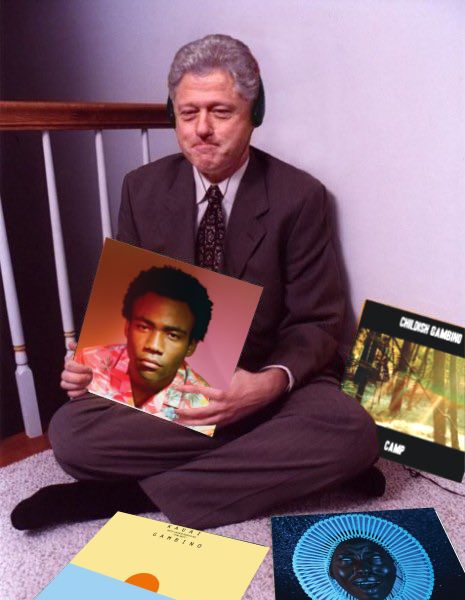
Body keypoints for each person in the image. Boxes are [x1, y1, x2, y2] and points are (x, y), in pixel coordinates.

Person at [11, 34, 383, 532]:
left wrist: (263, 387)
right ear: (173, 115)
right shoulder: (140, 189)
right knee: (71, 434)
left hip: (269, 379)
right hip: (179, 384)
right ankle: (285, 465)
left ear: (255, 112)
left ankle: (133, 496)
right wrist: (90, 364)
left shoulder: (301, 197)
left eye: (220, 112)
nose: (202, 129)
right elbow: (128, 305)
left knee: (352, 431)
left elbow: (317, 322)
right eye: (188, 114)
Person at [76, 266, 215, 436]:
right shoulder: (91, 360)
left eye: (172, 335)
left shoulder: (203, 402)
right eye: (143, 327)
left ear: (190, 346)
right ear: (127, 327)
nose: (154, 346)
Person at [292, 513, 434, 600]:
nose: (363, 569)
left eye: (374, 557)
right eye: (346, 561)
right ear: (331, 572)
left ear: (394, 564)